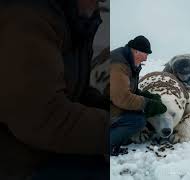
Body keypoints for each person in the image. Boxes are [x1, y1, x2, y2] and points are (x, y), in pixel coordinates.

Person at [0, 0, 109, 179]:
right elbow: (42, 118)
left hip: (47, 150)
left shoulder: (77, 17)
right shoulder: (26, 16)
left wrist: (113, 110)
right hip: (17, 165)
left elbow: (73, 92)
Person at [109, 35, 167, 156]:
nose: (146, 58)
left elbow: (129, 90)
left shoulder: (129, 62)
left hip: (112, 103)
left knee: (135, 119)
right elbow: (122, 98)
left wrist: (147, 96)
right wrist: (147, 104)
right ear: (136, 51)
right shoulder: (119, 65)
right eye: (145, 54)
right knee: (138, 120)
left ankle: (119, 136)